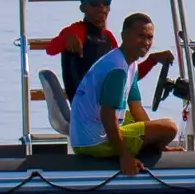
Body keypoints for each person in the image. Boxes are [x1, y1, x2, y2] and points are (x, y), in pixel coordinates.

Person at [69, 12, 179, 174]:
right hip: (93, 142)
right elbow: (107, 115)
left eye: (149, 37)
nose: (146, 42)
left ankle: (152, 145)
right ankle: (123, 150)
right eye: (140, 36)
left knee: (133, 117)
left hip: (85, 136)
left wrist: (157, 141)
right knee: (169, 127)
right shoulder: (118, 69)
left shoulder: (130, 64)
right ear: (124, 35)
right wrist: (125, 156)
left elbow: (137, 108)